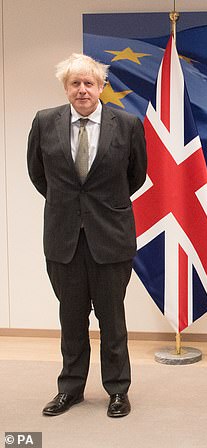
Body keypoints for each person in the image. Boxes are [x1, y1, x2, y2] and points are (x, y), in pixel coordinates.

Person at [27, 54, 147, 418]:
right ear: (66, 88)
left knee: (112, 318)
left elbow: (136, 177)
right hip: (63, 237)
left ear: (101, 87)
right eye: (75, 83)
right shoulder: (45, 122)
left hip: (111, 236)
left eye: (89, 83)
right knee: (71, 317)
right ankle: (71, 388)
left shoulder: (126, 124)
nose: (82, 89)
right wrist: (72, 207)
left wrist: (99, 207)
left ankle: (117, 390)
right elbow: (38, 175)